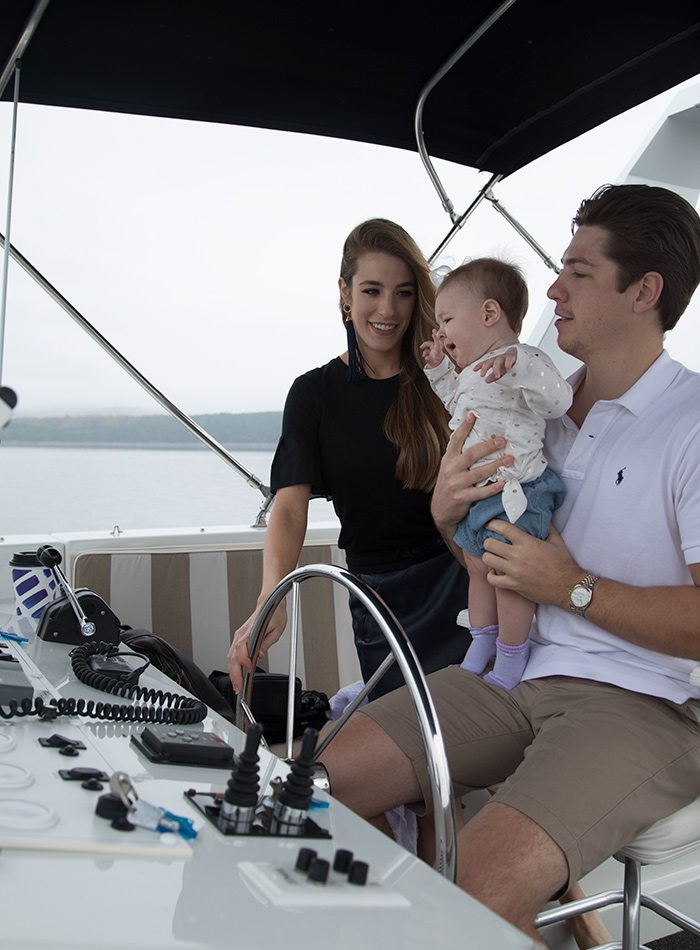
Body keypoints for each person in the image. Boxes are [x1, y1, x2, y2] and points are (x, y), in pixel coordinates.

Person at [318, 184, 700, 946]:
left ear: (644, 291)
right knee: (304, 786)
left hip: (641, 705)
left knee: (465, 902)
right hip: (512, 678)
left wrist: (574, 588)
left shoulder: (690, 424)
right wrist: (445, 519)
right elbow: (495, 557)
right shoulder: (533, 408)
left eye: (579, 273)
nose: (553, 288)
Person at [227, 218, 470, 701]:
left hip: (463, 582)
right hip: (378, 599)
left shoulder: (445, 377)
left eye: (403, 293)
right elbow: (291, 507)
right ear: (344, 292)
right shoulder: (313, 393)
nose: (387, 310)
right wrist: (269, 602)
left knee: (475, 730)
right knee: (406, 742)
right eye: (372, 291)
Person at [421, 259, 572, 688]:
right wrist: (438, 368)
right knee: (476, 568)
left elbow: (558, 401)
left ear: (489, 314)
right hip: (482, 494)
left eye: (447, 319)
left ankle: (511, 656)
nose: (442, 332)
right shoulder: (474, 372)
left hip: (518, 490)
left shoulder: (523, 360)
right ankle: (481, 642)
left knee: (509, 578)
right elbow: (457, 401)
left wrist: (519, 367)